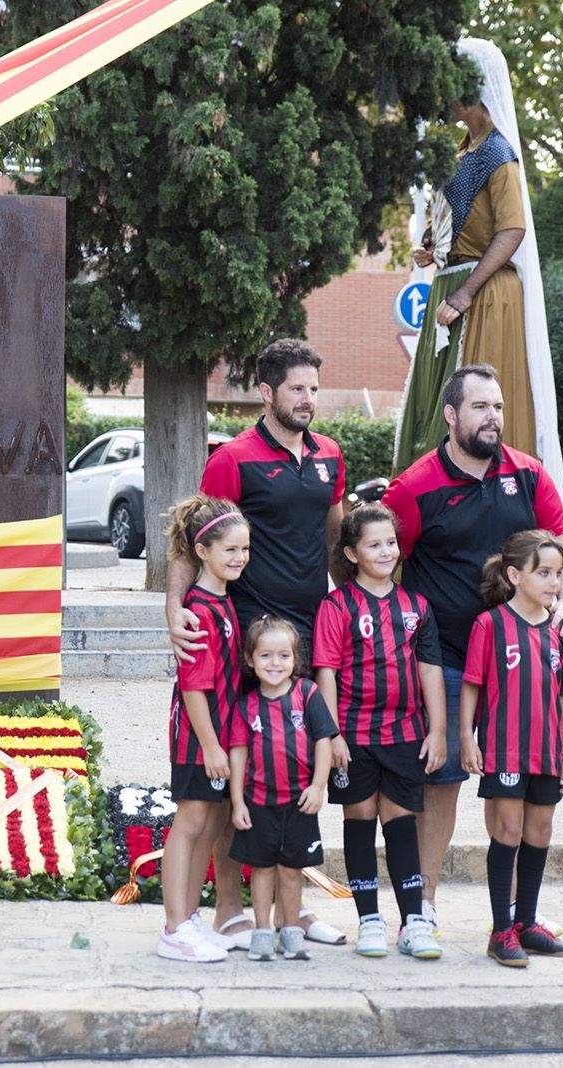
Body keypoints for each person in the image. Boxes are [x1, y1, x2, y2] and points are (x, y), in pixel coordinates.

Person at [382, 364, 563, 940]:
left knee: (526, 785)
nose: (493, 417)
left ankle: (521, 913)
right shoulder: (415, 487)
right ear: (451, 415)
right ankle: (424, 908)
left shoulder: (529, 473)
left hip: (521, 664)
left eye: (497, 406)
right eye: (480, 407)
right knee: (441, 782)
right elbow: (385, 562)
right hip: (445, 656)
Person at [170, 337, 348, 946]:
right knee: (237, 779)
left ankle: (294, 911)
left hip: (308, 633)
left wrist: (349, 608)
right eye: (297, 389)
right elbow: (191, 536)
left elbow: (334, 538)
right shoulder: (235, 459)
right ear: (267, 393)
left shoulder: (330, 455)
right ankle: (229, 909)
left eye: (314, 390)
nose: (308, 400)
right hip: (248, 639)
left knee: (299, 769)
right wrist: (174, 611)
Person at [394, 37, 563, 522]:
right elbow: (460, 225)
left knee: (475, 408)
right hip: (453, 287)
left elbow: (512, 228)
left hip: (484, 296)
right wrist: (434, 250)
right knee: (437, 410)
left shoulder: (499, 153)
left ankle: (486, 519)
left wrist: (467, 291)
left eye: (449, 84)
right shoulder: (462, 149)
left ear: (471, 88)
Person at [312, 503, 447, 961]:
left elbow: (430, 670)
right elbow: (326, 672)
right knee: (359, 819)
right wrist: (331, 735)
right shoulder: (336, 606)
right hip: (353, 733)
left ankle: (413, 922)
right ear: (351, 553)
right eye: (374, 544)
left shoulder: (417, 607)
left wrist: (439, 731)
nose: (385, 550)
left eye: (391, 542)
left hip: (406, 732)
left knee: (401, 823)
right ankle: (369, 919)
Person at [458, 529, 563, 968]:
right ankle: (500, 931)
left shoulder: (559, 631)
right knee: (507, 831)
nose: (553, 582)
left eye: (558, 574)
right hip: (505, 749)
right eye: (543, 572)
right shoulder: (489, 624)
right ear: (515, 575)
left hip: (547, 750)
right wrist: (466, 737)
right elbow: (472, 683)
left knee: (540, 832)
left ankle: (527, 923)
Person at [156, 495, 250, 963]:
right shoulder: (196, 610)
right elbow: (194, 688)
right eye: (230, 550)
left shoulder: (223, 601)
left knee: (211, 824)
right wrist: (212, 747)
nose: (239, 558)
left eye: (245, 550)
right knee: (190, 823)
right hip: (199, 737)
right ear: (203, 551)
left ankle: (191, 916)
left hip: (218, 734)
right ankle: (173, 926)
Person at [226, 616, 338, 962]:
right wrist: (236, 803)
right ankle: (262, 930)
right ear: (250, 659)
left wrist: (319, 786)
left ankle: (290, 928)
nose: (275, 664)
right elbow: (239, 754)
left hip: (299, 802)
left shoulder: (308, 695)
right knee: (261, 870)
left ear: (295, 659)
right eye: (265, 656)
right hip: (259, 802)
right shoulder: (246, 706)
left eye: (283, 656)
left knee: (291, 871)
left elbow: (323, 742)